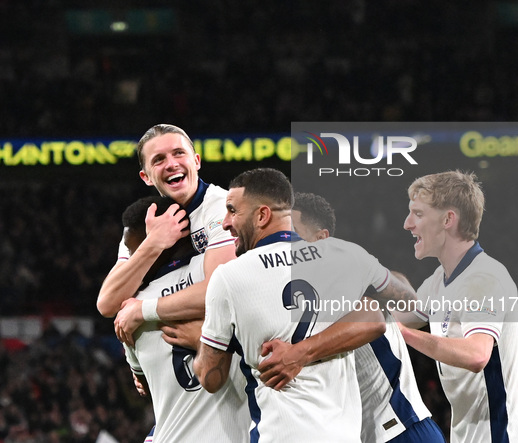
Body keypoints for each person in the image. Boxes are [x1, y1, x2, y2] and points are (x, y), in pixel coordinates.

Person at [264, 191, 444, 443]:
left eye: (294, 232)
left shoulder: (353, 287)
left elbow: (414, 307)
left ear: (322, 240)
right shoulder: (288, 299)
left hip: (401, 429)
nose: (285, 242)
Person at [399, 170, 518, 443]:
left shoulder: (484, 278)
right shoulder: (438, 281)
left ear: (448, 219)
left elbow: (477, 355)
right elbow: (390, 320)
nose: (407, 224)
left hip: (502, 436)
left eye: (418, 213)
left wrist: (400, 333)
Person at [120, 195, 249, 443]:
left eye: (135, 249)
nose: (133, 258)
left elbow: (143, 385)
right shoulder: (219, 273)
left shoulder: (129, 310)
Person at [96, 123, 236, 346]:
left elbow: (222, 291)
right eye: (158, 159)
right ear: (146, 177)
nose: (171, 164)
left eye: (179, 153)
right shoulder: (140, 223)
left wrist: (143, 310)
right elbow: (107, 304)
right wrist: (153, 243)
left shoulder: (223, 207)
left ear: (196, 161)